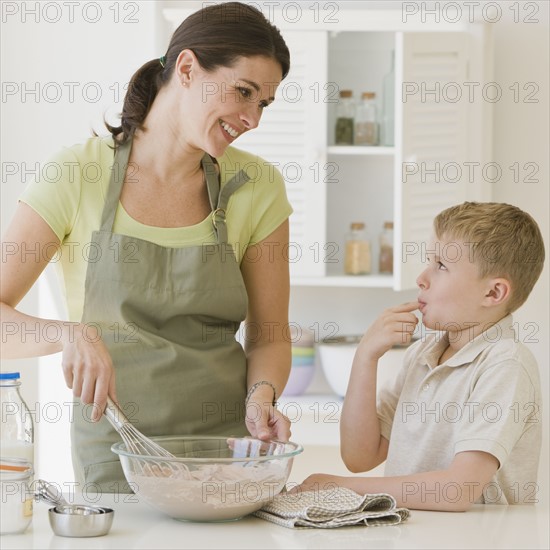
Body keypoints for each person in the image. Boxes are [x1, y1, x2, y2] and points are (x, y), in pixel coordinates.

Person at [0, 2, 293, 491]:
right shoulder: (77, 173)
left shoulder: (257, 186)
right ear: (186, 68)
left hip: (227, 458)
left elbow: (270, 335)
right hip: (118, 456)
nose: (252, 119)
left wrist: (262, 396)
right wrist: (69, 335)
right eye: (244, 92)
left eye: (263, 103)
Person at [294, 202, 545, 511]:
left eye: (441, 266)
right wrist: (365, 357)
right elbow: (359, 456)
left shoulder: (505, 364)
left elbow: (458, 489)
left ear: (493, 294)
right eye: (429, 261)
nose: (422, 278)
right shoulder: (421, 355)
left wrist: (346, 489)